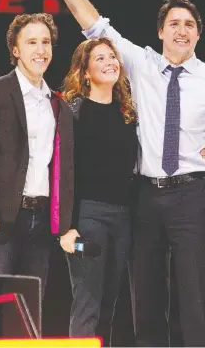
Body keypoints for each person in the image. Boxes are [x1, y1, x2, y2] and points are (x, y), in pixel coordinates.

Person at [51, 0, 205, 346]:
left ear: (199, 34)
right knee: (145, 297)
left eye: (190, 24)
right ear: (160, 31)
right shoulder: (138, 63)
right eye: (174, 23)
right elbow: (91, 23)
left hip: (193, 195)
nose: (182, 30)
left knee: (196, 298)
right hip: (144, 197)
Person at [0, 13, 75, 296]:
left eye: (46, 42)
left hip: (40, 222)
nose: (41, 50)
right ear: (15, 50)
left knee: (29, 314)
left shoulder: (58, 105)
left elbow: (62, 168)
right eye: (32, 43)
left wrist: (63, 223)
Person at [58, 37, 138, 342]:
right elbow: (63, 173)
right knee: (87, 301)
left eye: (112, 57)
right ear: (86, 71)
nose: (109, 63)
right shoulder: (72, 111)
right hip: (88, 216)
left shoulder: (127, 112)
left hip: (122, 217)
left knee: (109, 304)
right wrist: (67, 227)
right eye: (100, 59)